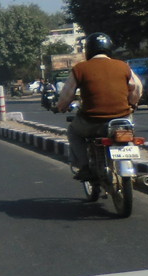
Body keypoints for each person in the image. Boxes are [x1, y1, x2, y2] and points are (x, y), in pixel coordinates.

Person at [56, 33, 142, 182]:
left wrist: (60, 107)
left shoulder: (80, 69)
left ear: (88, 50)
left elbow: (67, 94)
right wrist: (132, 104)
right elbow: (137, 88)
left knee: (73, 132)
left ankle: (84, 167)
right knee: (128, 133)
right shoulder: (123, 66)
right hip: (122, 120)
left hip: (92, 122)